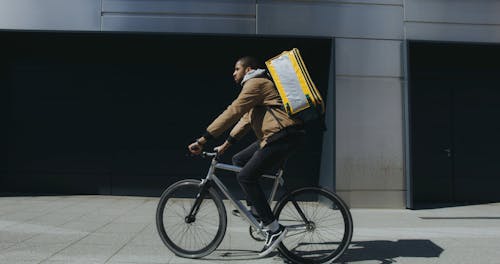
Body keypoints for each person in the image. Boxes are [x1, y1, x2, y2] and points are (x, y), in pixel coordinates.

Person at [188, 56, 305, 256]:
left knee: (245, 176)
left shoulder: (256, 83)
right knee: (239, 160)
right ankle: (258, 212)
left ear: (248, 69)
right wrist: (225, 145)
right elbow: (246, 120)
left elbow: (234, 111)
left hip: (283, 135)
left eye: (236, 69)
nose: (233, 73)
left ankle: (274, 230)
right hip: (274, 136)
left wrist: (203, 139)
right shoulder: (256, 87)